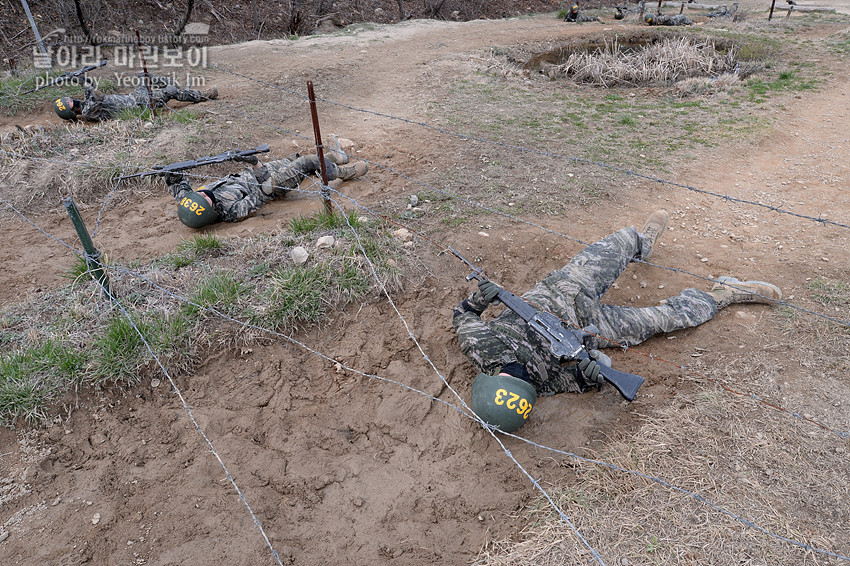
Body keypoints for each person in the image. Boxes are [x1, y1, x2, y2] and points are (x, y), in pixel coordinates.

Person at [453, 210, 782, 431]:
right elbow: (583, 381)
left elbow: (463, 314)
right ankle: (723, 295)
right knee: (665, 318)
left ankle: (643, 243)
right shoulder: (539, 388)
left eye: (514, 375)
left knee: (622, 239)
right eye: (523, 380)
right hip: (595, 326)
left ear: (492, 376)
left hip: (565, 286)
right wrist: (594, 369)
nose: (522, 374)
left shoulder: (480, 346)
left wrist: (481, 297)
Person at [164, 144, 368, 228]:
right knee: (304, 164)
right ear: (212, 211)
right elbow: (264, 192)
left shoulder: (190, 202)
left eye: (199, 194)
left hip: (255, 174)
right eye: (206, 200)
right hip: (271, 185)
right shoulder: (232, 211)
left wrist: (171, 172)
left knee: (291, 159)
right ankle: (344, 173)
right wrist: (255, 164)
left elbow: (178, 185)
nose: (204, 194)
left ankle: (332, 158)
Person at [53, 73, 217, 122]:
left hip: (134, 96)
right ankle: (204, 95)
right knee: (171, 91)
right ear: (71, 111)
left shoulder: (86, 103)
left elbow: (89, 86)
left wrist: (76, 77)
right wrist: (80, 81)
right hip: (139, 105)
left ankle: (173, 87)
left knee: (143, 76)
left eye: (66, 99)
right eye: (66, 103)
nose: (68, 100)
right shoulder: (89, 112)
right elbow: (96, 94)